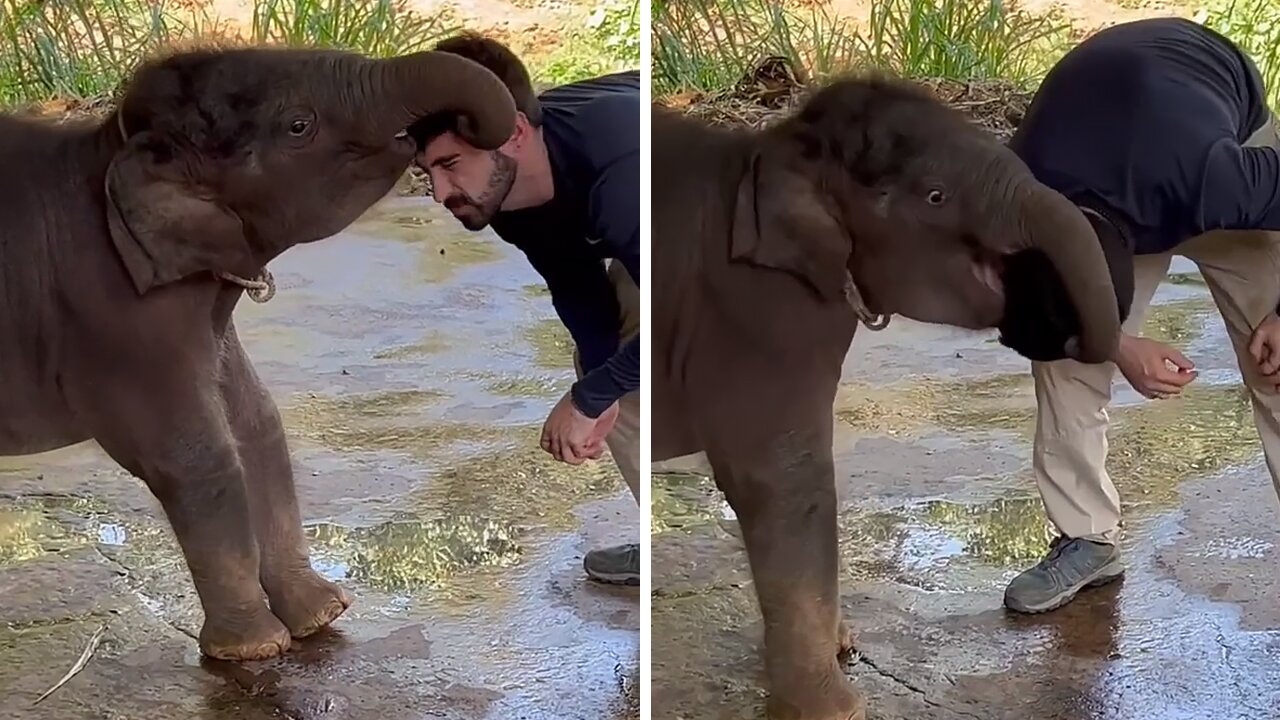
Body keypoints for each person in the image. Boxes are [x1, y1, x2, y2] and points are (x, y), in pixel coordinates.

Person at [998, 16, 1280, 613]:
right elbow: (1035, 312)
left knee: (1277, 360)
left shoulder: (1222, 180)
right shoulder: (1016, 195)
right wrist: (1118, 344)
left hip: (1207, 105)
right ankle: (1086, 539)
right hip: (1115, 131)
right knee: (1061, 358)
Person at [408, 33, 641, 586]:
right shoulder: (503, 192)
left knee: (643, 366)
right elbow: (574, 282)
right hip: (654, 241)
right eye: (427, 173)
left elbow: (682, 315)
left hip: (741, 229)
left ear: (513, 133)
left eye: (450, 165)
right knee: (609, 372)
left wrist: (591, 398)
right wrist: (600, 387)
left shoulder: (621, 172)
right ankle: (661, 542)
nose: (440, 193)